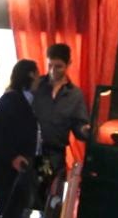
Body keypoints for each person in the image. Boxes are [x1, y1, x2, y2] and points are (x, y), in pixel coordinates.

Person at [0, 58, 40, 218]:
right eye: (37, 75)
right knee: (9, 216)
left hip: (16, 167)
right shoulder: (11, 98)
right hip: (6, 168)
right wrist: (13, 156)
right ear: (30, 75)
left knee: (16, 215)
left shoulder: (25, 100)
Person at [32, 42, 91, 173]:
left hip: (54, 155)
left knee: (49, 185)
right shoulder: (35, 85)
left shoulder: (75, 95)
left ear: (69, 64)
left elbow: (79, 127)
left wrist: (85, 130)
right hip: (29, 151)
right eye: (50, 65)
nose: (53, 71)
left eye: (58, 66)